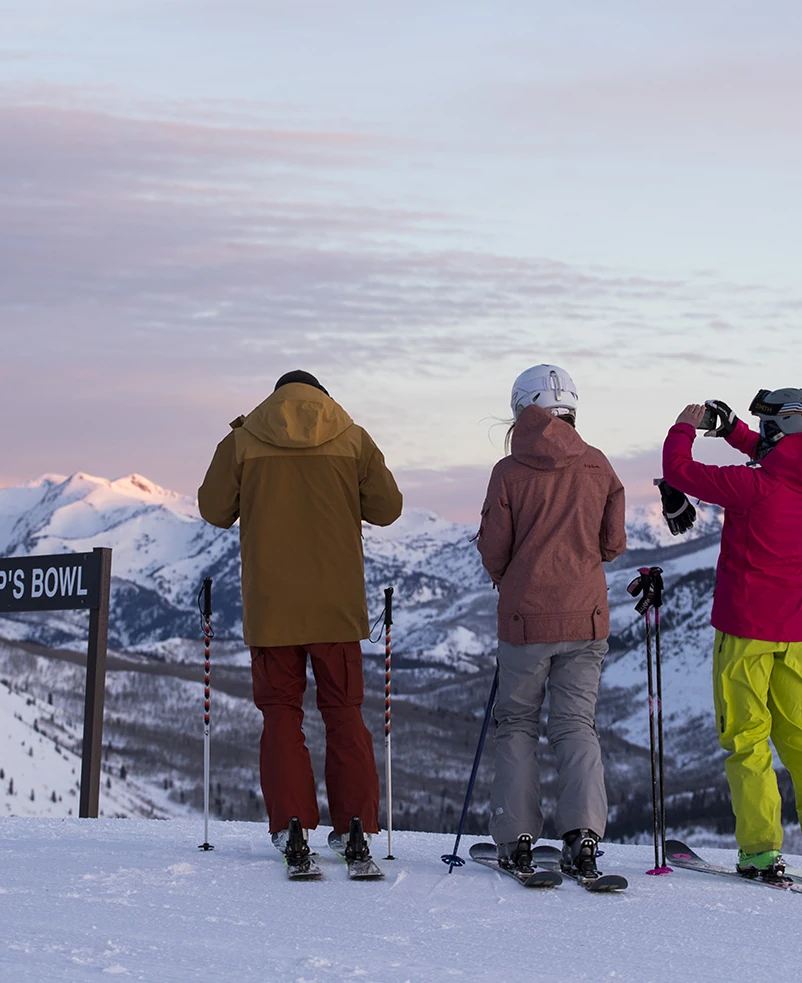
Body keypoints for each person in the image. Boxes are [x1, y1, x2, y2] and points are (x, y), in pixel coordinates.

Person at [198, 369, 402, 866]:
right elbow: (387, 509)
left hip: (272, 610)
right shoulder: (352, 438)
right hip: (337, 608)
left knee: (281, 715)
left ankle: (291, 823)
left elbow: (214, 510)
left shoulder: (243, 440)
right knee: (344, 714)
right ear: (323, 399)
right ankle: (355, 825)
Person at [477, 364, 626, 878]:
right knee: (576, 725)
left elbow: (493, 551)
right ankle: (583, 838)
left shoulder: (508, 472)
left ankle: (517, 838)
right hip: (586, 618)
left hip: (525, 620)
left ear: (521, 410)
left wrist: (514, 580)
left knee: (518, 724)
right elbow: (613, 544)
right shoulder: (598, 465)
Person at [662, 390, 802, 883]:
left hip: (745, 633)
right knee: (800, 739)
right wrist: (735, 432)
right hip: (796, 635)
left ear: (779, 432)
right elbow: (783, 457)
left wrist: (683, 427)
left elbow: (679, 470)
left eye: (766, 428)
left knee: (747, 741)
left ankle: (760, 852)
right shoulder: (777, 476)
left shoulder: (753, 487)